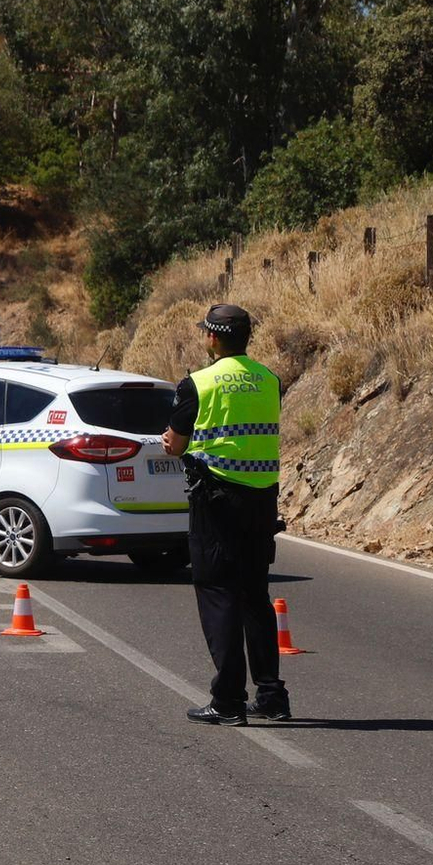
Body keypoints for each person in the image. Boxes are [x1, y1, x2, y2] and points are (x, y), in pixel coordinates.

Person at [160, 303, 289, 726]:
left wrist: (171, 442)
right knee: (255, 596)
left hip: (216, 500)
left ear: (211, 338)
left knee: (218, 593)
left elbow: (176, 444)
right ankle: (270, 695)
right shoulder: (270, 380)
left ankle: (229, 700)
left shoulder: (198, 384)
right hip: (262, 500)